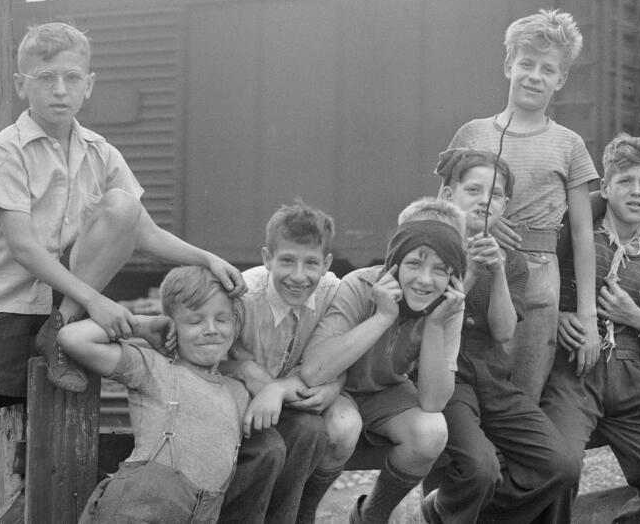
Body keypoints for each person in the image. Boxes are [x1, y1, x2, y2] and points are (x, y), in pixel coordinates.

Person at [0, 22, 244, 524]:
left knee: (121, 205)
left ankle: (59, 333)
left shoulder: (101, 152)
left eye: (72, 78)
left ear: (89, 85)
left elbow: (145, 231)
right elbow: (24, 248)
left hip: (63, 309)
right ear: (19, 84)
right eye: (45, 77)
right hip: (0, 304)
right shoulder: (3, 152)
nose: (59, 90)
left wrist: (204, 258)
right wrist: (96, 302)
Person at [540, 134, 640, 523]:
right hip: (575, 369)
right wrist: (559, 317)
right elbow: (530, 293)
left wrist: (636, 317)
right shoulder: (576, 235)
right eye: (626, 181)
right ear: (605, 187)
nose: (636, 192)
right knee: (560, 472)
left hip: (633, 375)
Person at [447, 8, 601, 404]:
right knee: (461, 386)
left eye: (548, 69)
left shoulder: (570, 144)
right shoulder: (472, 132)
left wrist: (588, 315)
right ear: (508, 65)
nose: (535, 76)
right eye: (526, 64)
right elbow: (443, 209)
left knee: (521, 396)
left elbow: (584, 234)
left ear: (562, 79)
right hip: (473, 269)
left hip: (537, 278)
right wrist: (481, 219)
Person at [419, 150, 579, 523]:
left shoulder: (514, 261)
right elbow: (428, 322)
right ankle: (450, 509)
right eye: (473, 189)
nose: (483, 200)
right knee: (481, 469)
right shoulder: (429, 252)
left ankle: (444, 510)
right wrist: (471, 271)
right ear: (447, 195)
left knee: (562, 466)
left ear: (505, 204)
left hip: (494, 382)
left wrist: (501, 272)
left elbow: (504, 330)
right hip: (450, 381)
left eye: (495, 195)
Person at [300, 199, 467, 524]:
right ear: (395, 260)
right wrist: (382, 316)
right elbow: (313, 371)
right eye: (415, 263)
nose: (424, 280)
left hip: (387, 393)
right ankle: (302, 514)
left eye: (440, 269)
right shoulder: (360, 285)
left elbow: (433, 401)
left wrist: (434, 324)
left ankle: (371, 515)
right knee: (342, 427)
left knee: (431, 432)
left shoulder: (449, 305)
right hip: (340, 388)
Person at [60, 266, 251, 523]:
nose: (211, 329)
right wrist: (143, 325)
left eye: (223, 319)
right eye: (195, 321)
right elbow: (72, 338)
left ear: (236, 324)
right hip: (139, 508)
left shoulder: (237, 391)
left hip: (203, 512)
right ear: (172, 325)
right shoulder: (154, 369)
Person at [218, 202, 361, 524]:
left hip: (290, 402)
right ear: (267, 258)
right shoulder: (243, 298)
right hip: (240, 405)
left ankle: (291, 517)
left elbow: (341, 354)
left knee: (313, 430)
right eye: (286, 261)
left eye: (311, 263)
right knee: (271, 450)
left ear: (326, 263)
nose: (299, 276)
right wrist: (242, 369)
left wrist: (334, 384)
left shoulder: (334, 294)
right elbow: (203, 361)